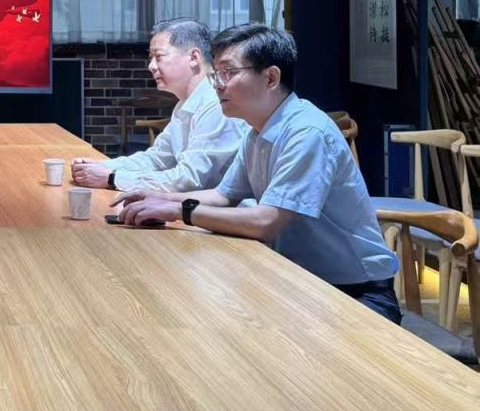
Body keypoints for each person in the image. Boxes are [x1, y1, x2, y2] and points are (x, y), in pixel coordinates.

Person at [115, 24, 402, 322]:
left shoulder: (306, 132)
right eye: (217, 74)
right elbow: (223, 195)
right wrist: (158, 197)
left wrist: (179, 210)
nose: (218, 85)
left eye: (228, 72)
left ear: (271, 78)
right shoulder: (257, 130)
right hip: (299, 282)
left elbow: (267, 222)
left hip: (355, 293)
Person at [72, 19, 245, 192]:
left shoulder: (217, 104)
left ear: (193, 57)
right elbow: (156, 159)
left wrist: (112, 177)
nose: (151, 66)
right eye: (151, 58)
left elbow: (190, 180)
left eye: (159, 56)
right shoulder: (184, 104)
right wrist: (100, 167)